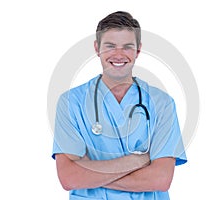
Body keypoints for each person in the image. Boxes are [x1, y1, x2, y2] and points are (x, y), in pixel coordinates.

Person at [52, 11, 187, 200]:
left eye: (127, 47)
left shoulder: (162, 103)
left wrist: (90, 173)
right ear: (97, 48)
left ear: (138, 50)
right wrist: (138, 161)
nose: (118, 54)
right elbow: (69, 178)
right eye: (110, 46)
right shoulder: (71, 103)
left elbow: (160, 179)